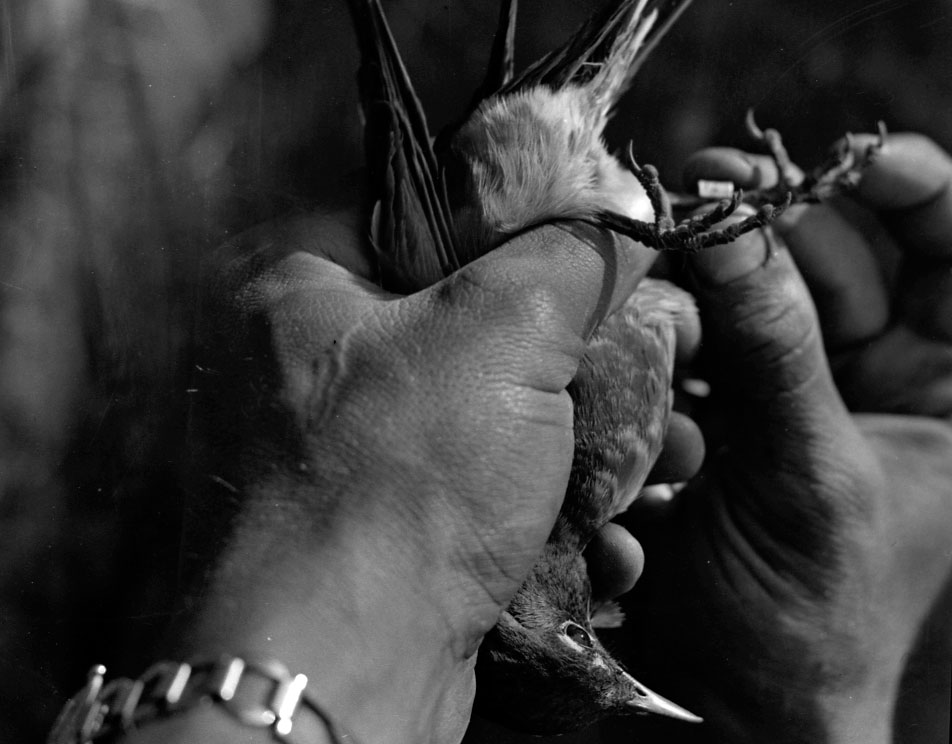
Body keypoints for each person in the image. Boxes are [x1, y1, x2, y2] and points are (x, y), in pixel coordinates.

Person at [56, 132, 952, 744]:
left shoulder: (570, 473)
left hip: (508, 203)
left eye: (577, 631)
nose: (607, 611)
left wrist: (346, 556)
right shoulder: (619, 482)